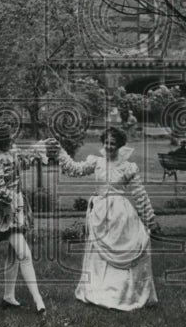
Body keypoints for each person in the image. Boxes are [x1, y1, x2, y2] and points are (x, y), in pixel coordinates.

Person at [50, 126, 161, 311]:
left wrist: (151, 219)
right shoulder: (97, 162)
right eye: (106, 142)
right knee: (99, 256)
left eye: (113, 143)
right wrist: (59, 151)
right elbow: (74, 169)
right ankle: (100, 290)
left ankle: (122, 293)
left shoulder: (127, 167)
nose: (109, 146)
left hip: (121, 216)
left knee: (126, 250)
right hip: (100, 213)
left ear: (119, 145)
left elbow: (140, 194)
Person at [0, 125, 46, 315]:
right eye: (9, 141)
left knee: (14, 254)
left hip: (17, 206)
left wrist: (39, 149)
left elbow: (24, 160)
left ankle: (8, 297)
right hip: (6, 211)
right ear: (2, 144)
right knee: (23, 253)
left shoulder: (13, 154)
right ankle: (39, 301)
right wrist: (10, 199)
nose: (12, 142)